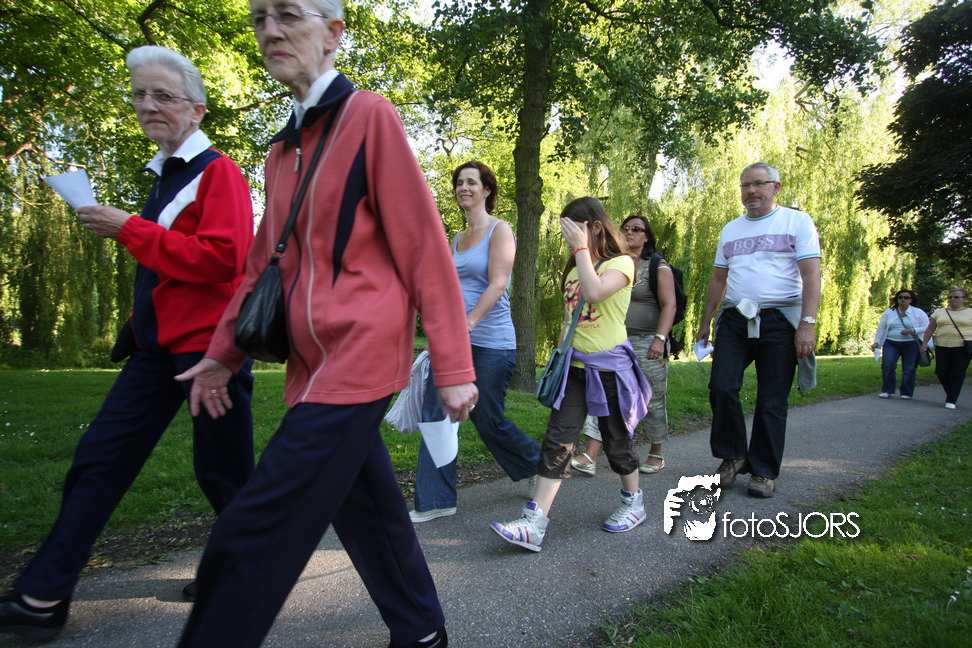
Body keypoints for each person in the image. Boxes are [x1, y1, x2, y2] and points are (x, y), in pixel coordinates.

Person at [173, 2, 476, 647]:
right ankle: (422, 631)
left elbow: (424, 247)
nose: (271, 30)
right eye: (259, 18)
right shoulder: (281, 148)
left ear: (334, 33)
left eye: (288, 14)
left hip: (362, 355)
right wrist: (224, 354)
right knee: (367, 507)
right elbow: (263, 262)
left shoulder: (369, 117)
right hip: (310, 365)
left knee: (252, 529)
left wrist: (453, 366)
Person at [0, 46, 256, 641]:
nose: (148, 105)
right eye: (140, 94)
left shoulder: (217, 171)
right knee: (99, 460)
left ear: (196, 109)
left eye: (163, 95)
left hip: (208, 354)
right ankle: (42, 597)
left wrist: (129, 228)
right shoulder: (163, 174)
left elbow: (224, 259)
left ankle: (242, 574)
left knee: (223, 473)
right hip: (154, 350)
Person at [490, 197, 650, 552]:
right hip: (575, 371)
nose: (568, 238)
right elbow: (569, 319)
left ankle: (633, 502)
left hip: (610, 370)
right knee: (557, 440)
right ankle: (534, 523)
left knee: (616, 441)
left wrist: (580, 249)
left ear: (595, 226)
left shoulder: (622, 263)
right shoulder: (576, 267)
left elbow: (595, 292)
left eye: (573, 229)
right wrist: (559, 361)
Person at [411, 161, 540, 522]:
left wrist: (466, 325)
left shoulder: (501, 230)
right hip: (455, 340)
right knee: (436, 413)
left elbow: (498, 284)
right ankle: (435, 500)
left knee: (487, 418)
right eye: (459, 183)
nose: (463, 188)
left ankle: (538, 464)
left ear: (487, 190)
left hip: (491, 342)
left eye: (471, 182)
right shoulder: (457, 238)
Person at [696, 162, 820, 499]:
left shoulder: (796, 222)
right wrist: (705, 322)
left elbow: (811, 275)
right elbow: (718, 279)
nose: (751, 191)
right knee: (721, 386)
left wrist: (807, 324)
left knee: (771, 398)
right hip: (735, 319)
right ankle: (733, 456)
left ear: (775, 187)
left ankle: (763, 470)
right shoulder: (730, 229)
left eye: (759, 184)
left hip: (780, 320)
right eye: (746, 185)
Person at [571, 214, 676, 476]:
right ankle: (590, 455)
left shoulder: (657, 266)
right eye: (626, 228)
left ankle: (655, 452)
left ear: (647, 237)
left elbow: (670, 305)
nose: (629, 232)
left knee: (652, 398)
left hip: (647, 342)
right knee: (604, 394)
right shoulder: (611, 262)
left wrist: (660, 339)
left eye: (637, 229)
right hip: (616, 342)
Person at [871, 289, 929, 400]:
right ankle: (887, 390)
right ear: (897, 299)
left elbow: (927, 327)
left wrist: (912, 330)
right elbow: (882, 327)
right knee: (888, 364)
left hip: (911, 343)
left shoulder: (918, 312)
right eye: (900, 297)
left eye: (906, 297)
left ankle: (906, 392)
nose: (903, 299)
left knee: (909, 368)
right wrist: (877, 342)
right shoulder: (890, 312)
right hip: (891, 342)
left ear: (911, 300)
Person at [921, 288, 972, 409]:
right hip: (942, 346)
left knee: (957, 373)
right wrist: (924, 343)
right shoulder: (939, 312)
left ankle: (951, 399)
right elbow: (930, 328)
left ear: (964, 299)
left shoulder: (970, 312)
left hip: (963, 347)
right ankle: (952, 392)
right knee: (941, 372)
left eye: (956, 297)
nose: (952, 299)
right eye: (950, 297)